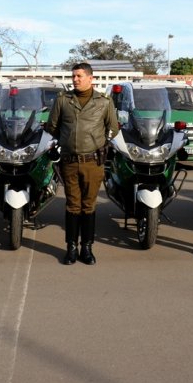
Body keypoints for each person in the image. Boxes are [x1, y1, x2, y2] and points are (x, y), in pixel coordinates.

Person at [45, 62, 118, 265]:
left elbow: (113, 128)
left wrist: (99, 143)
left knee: (88, 206)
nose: (75, 79)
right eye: (73, 76)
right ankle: (71, 247)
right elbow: (52, 126)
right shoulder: (63, 100)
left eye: (79, 76)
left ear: (90, 78)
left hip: (93, 162)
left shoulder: (104, 102)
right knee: (72, 205)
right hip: (69, 161)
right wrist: (67, 140)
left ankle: (87, 248)